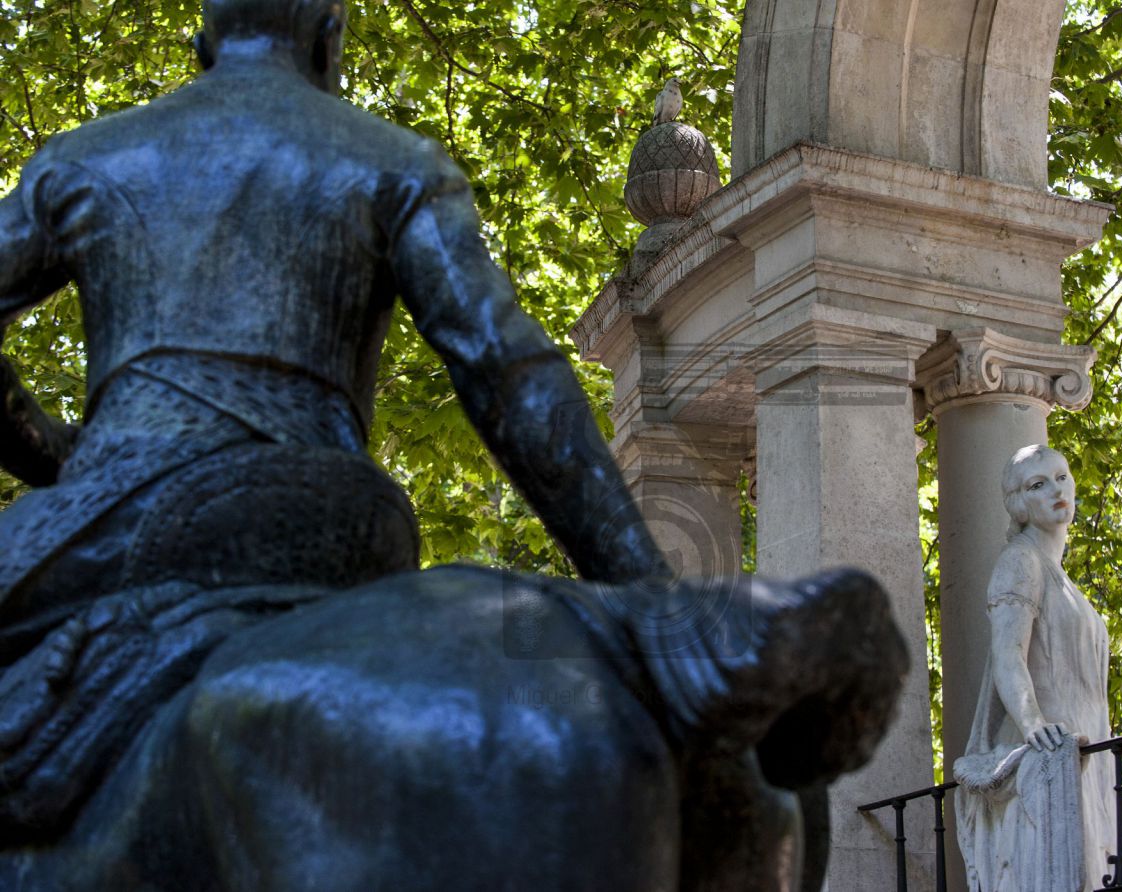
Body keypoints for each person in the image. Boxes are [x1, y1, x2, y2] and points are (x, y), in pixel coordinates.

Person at [0, 0, 669, 645]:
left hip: (109, 508)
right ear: (327, 39)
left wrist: (58, 453)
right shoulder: (396, 163)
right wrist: (648, 589)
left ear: (201, 51)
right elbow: (509, 373)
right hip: (321, 512)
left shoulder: (78, 161)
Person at [955, 444, 1122, 892]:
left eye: (1062, 477)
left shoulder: (1066, 581)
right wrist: (1034, 723)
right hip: (1050, 753)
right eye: (1039, 485)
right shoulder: (1021, 561)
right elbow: (1008, 654)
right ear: (1018, 503)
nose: (1057, 490)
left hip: (1087, 753)